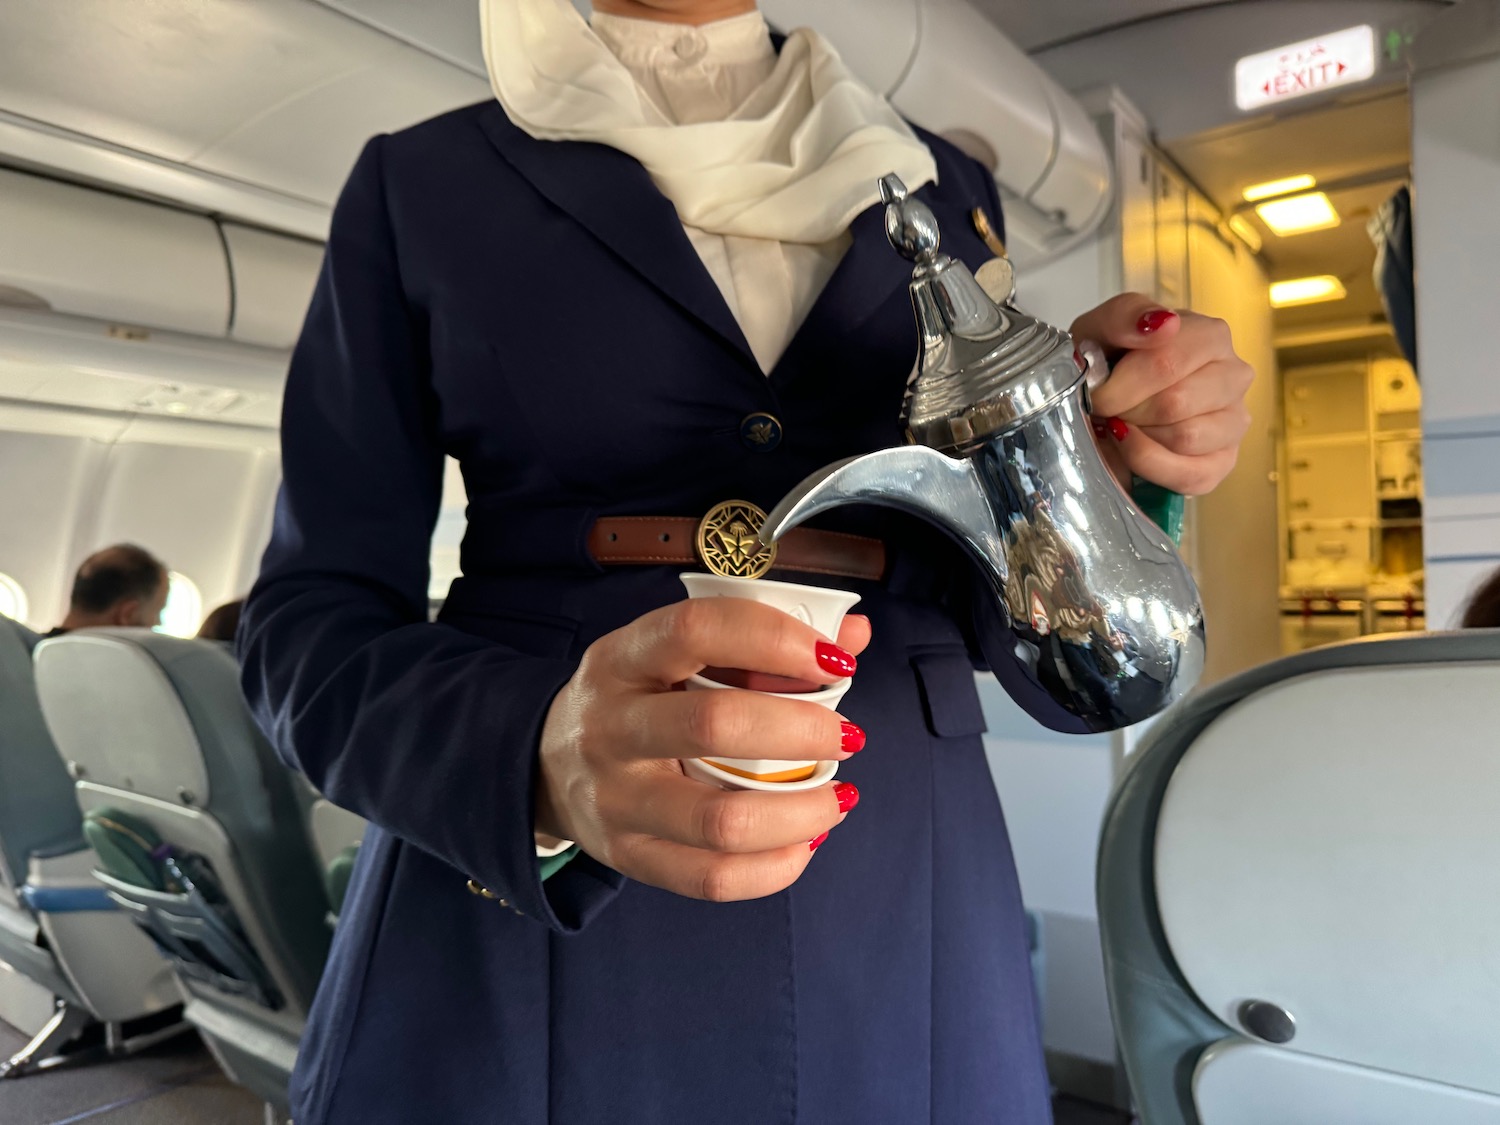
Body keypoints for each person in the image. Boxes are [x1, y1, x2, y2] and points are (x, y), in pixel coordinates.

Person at [238, 2, 1255, 1122]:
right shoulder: (421, 183)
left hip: (899, 867)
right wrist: (533, 762)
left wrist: (1095, 468)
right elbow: (306, 625)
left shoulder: (945, 183)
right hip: (528, 883)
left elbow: (991, 616)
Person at [45, 544, 168, 637]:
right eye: (157, 612)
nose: (158, 623)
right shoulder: (103, 670)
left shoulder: (30, 653)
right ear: (127, 614)